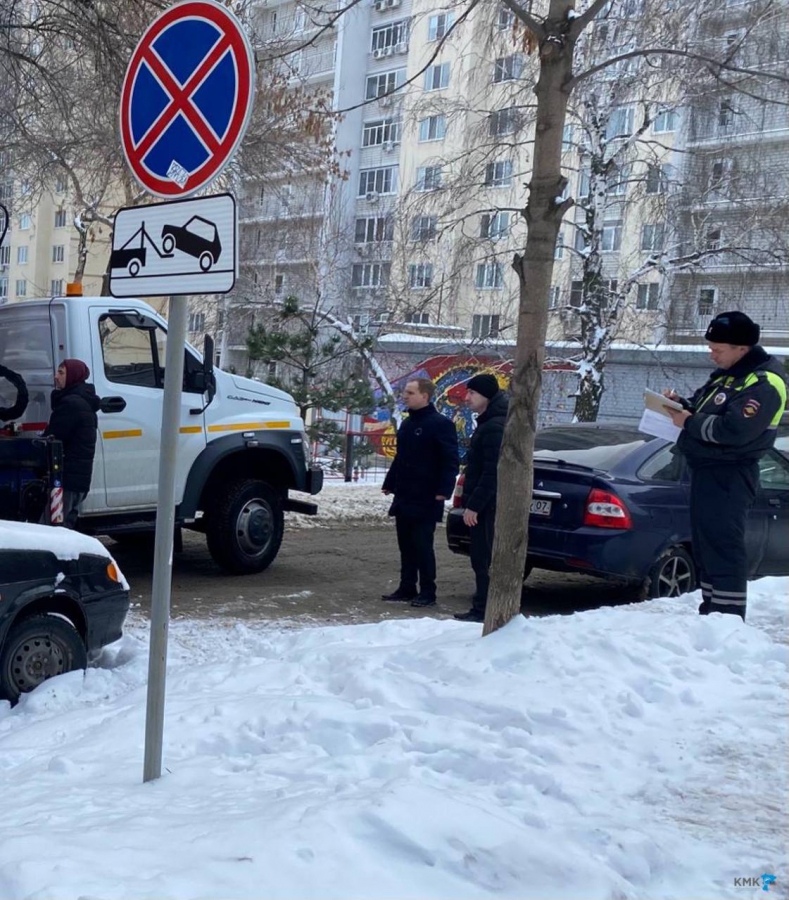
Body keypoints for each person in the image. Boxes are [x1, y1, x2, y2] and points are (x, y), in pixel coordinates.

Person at [665, 311, 787, 620]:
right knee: (706, 547)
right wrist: (680, 405)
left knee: (723, 547)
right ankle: (711, 614)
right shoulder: (727, 375)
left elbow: (734, 430)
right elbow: (704, 408)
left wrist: (689, 421)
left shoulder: (764, 382)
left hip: (731, 474)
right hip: (707, 472)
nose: (712, 354)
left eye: (717, 349)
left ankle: (728, 617)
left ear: (741, 348)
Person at [381, 378, 459, 607]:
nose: (405, 396)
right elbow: (401, 457)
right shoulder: (407, 424)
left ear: (424, 396)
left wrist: (444, 491)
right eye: (405, 392)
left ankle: (427, 591)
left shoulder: (441, 424)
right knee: (405, 544)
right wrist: (390, 482)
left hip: (427, 496)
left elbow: (450, 461)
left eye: (410, 392)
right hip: (405, 494)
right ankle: (407, 587)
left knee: (422, 546)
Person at [454, 373, 509, 623]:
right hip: (485, 503)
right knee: (480, 556)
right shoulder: (488, 423)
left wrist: (474, 506)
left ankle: (483, 609)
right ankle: (482, 606)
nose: (467, 398)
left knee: (483, 557)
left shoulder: (494, 426)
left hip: (488, 507)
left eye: (472, 393)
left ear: (486, 396)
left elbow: (492, 472)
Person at [42, 359, 101, 528]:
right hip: (79, 480)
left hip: (65, 479)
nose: (56, 376)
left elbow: (54, 437)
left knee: (49, 529)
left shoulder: (71, 404)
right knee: (66, 527)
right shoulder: (85, 402)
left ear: (73, 376)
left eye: (61, 373)